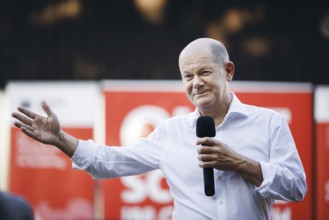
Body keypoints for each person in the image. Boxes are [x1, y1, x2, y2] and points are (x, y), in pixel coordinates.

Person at [11, 38, 307, 219]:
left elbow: (297, 187)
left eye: (204, 72)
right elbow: (108, 162)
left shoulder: (269, 123)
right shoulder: (171, 132)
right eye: (187, 76)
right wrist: (60, 139)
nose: (196, 82)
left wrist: (240, 163)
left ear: (228, 71)